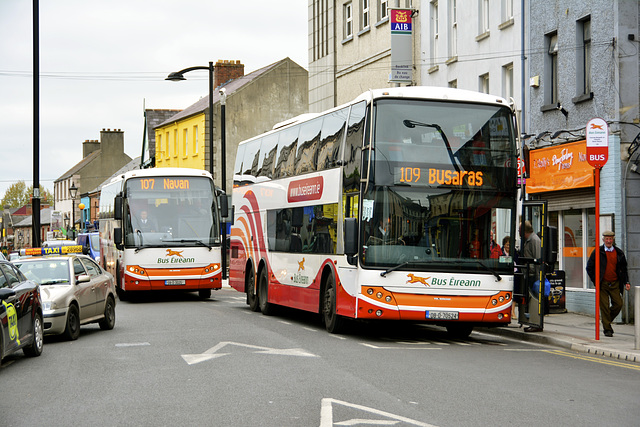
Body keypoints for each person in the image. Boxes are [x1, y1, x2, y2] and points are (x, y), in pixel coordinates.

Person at [586, 230, 631, 337]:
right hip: (602, 284)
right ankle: (607, 329)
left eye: (610, 239)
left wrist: (626, 282)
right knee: (604, 306)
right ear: (603, 240)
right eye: (607, 239)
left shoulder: (619, 252)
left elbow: (624, 269)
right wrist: (596, 281)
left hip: (615, 283)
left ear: (613, 240)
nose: (609, 241)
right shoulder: (598, 252)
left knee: (618, 304)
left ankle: (606, 321)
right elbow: (589, 268)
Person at [522, 221, 542, 332]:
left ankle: (535, 323)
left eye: (520, 230)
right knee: (529, 300)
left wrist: (539, 278)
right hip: (528, 273)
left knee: (534, 299)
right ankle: (531, 321)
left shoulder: (534, 240)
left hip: (533, 275)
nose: (519, 232)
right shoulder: (527, 240)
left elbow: (538, 258)